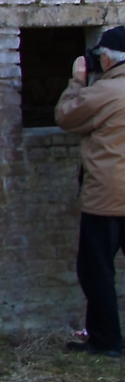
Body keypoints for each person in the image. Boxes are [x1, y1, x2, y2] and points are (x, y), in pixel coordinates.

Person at [55, 26, 125, 356]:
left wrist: (78, 80)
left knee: (95, 270)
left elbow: (67, 117)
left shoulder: (105, 92)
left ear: (108, 59)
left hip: (109, 199)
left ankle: (106, 341)